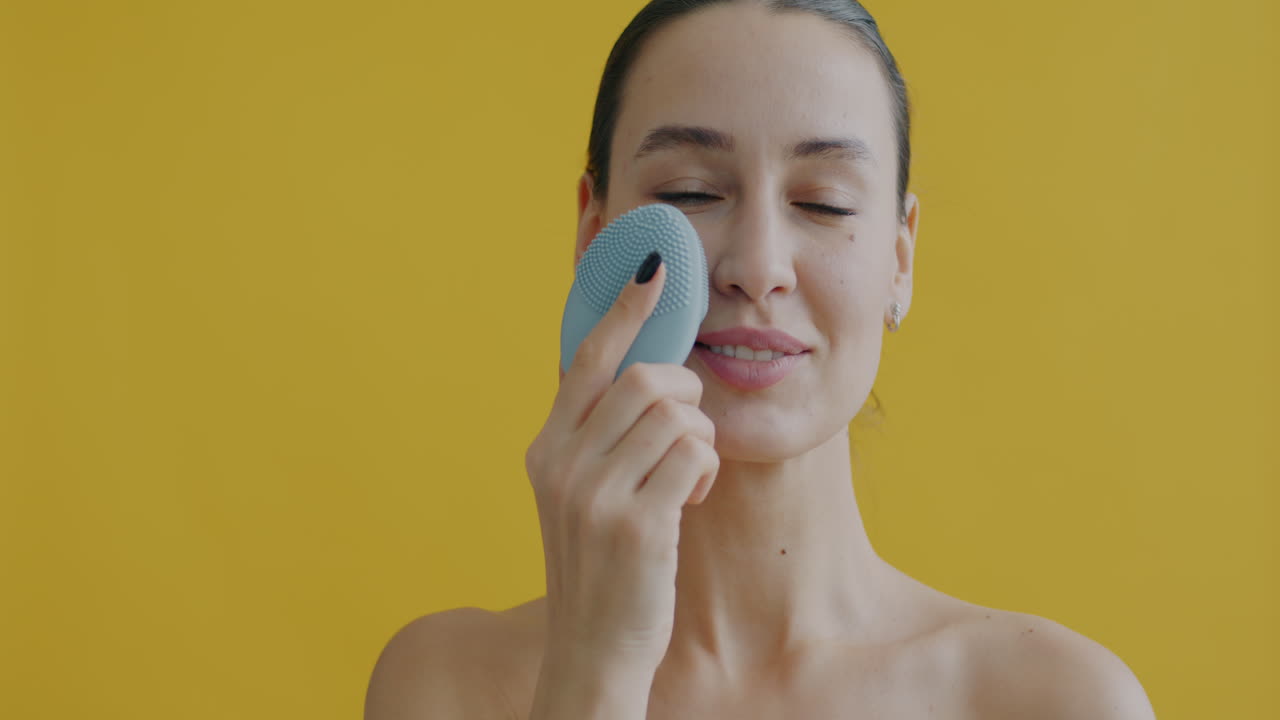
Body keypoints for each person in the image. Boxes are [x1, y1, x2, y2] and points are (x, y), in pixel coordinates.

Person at [366, 1, 1157, 718]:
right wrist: (594, 668)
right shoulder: (444, 686)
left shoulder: (1056, 702)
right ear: (593, 233)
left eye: (824, 203)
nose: (757, 265)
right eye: (688, 193)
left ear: (900, 258)